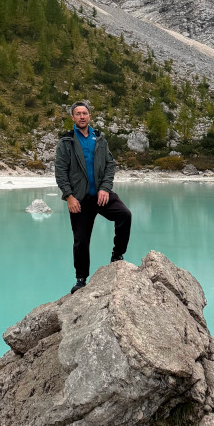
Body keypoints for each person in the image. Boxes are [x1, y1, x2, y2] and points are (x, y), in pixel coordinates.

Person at [54, 101, 131, 293]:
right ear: (72, 117)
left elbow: (110, 165)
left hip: (100, 195)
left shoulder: (100, 139)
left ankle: (117, 256)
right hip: (79, 199)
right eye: (78, 113)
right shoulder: (66, 142)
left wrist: (105, 188)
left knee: (124, 215)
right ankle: (81, 279)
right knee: (81, 240)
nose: (82, 116)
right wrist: (69, 197)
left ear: (89, 116)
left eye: (85, 113)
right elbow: (60, 172)